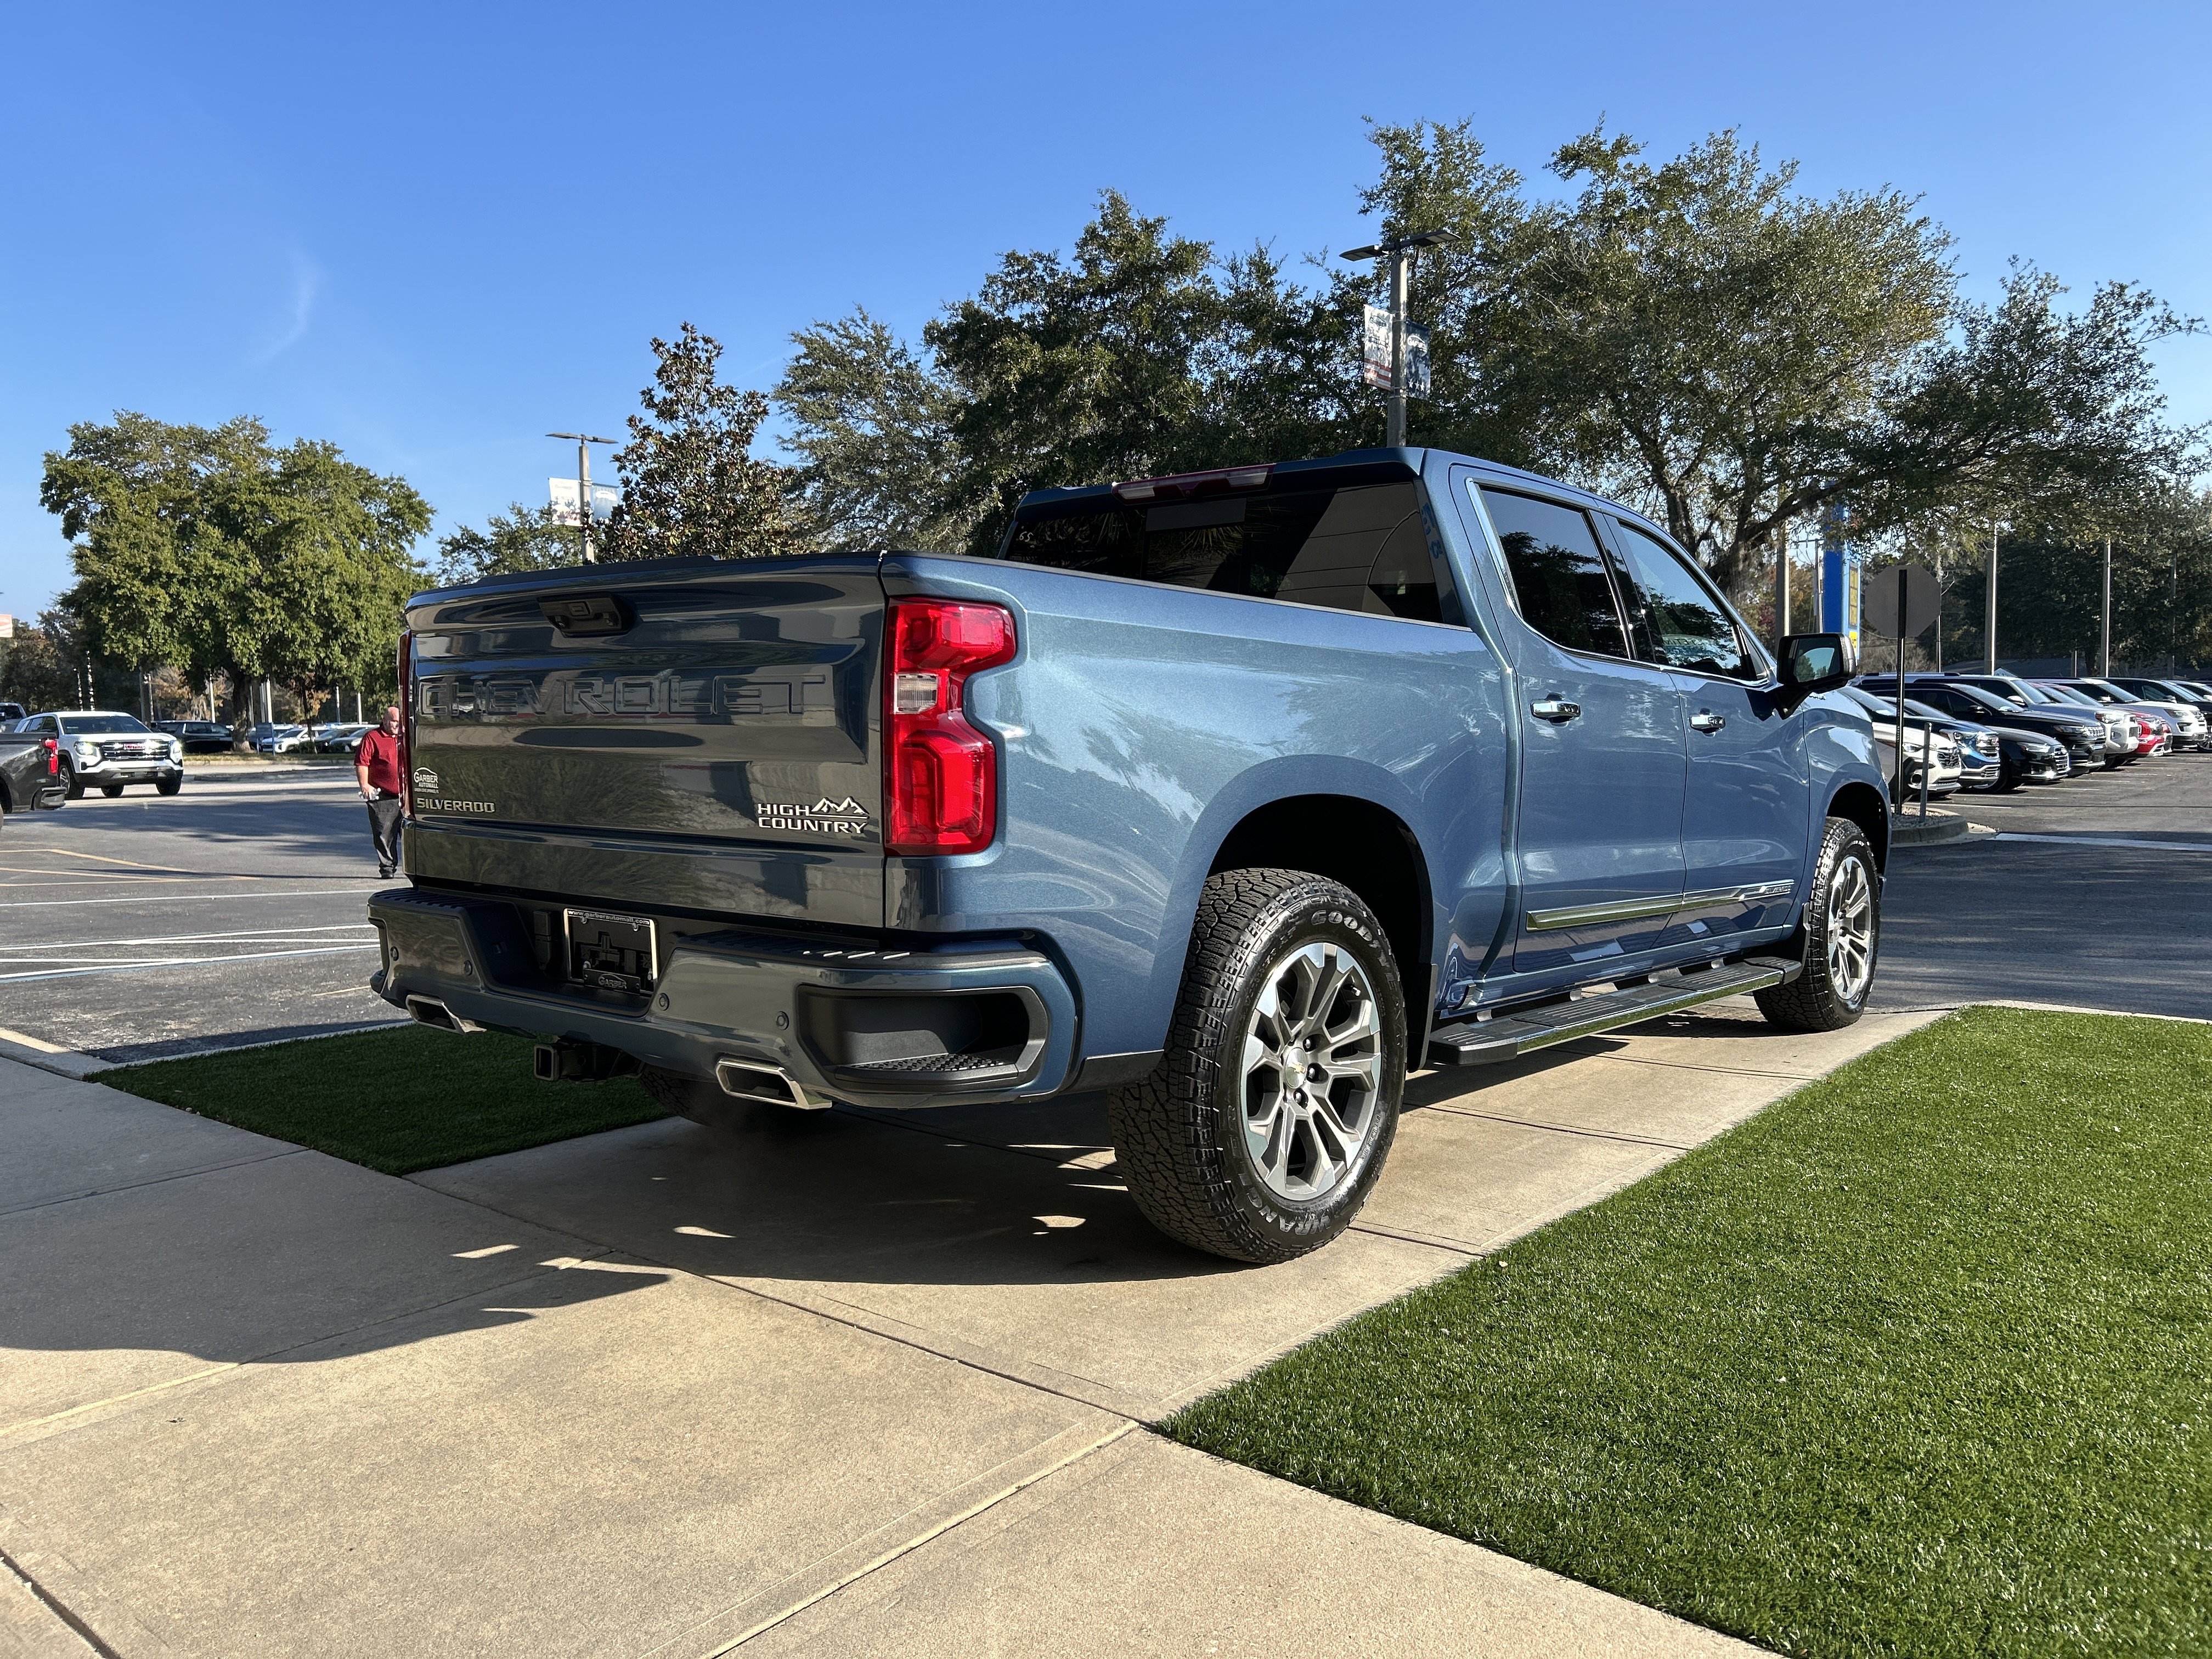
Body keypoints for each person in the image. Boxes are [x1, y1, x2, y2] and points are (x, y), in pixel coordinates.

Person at [356, 705, 406, 878]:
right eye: (394, 721)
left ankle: (416, 869)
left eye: (400, 722)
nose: (398, 725)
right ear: (385, 720)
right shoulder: (372, 738)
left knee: (410, 834)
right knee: (384, 834)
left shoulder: (405, 738)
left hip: (406, 796)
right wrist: (365, 785)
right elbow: (362, 763)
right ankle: (387, 868)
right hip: (383, 796)